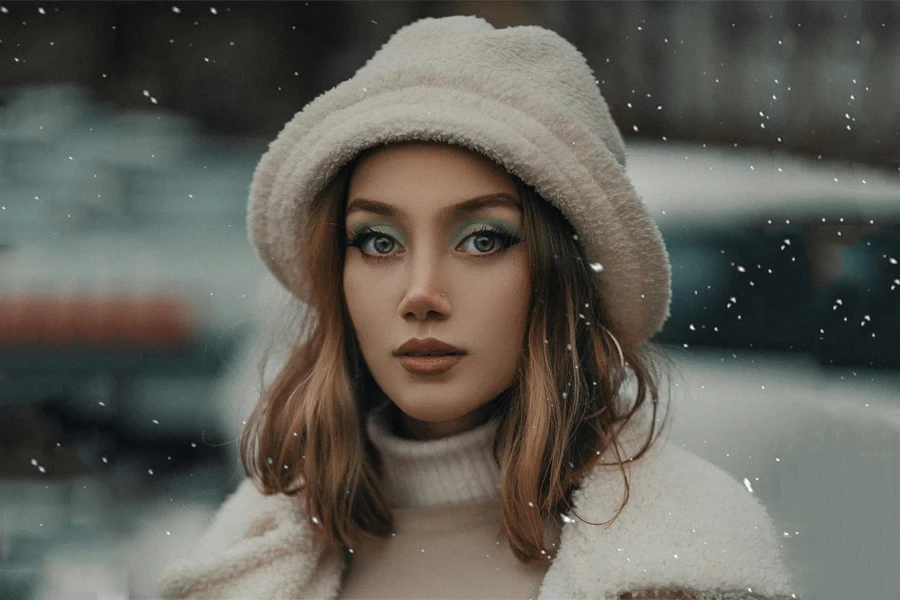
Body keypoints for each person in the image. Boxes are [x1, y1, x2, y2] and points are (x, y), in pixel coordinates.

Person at [156, 15, 799, 600]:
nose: (421, 295)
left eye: (483, 239)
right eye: (379, 241)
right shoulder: (250, 551)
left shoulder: (690, 555)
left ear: (561, 274)